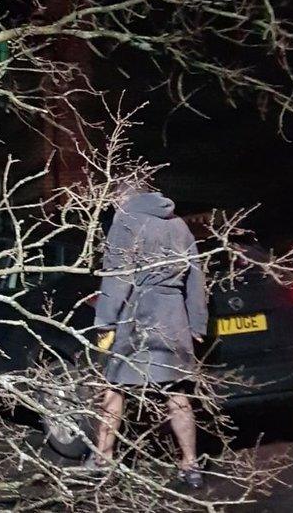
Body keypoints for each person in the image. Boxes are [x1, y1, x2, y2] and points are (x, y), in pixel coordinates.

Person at [89, 181, 208, 489]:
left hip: (136, 314)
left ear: (123, 197)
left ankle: (102, 459)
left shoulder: (126, 221)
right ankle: (190, 465)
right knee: (176, 391)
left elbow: (119, 275)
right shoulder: (179, 225)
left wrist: (105, 318)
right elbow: (196, 278)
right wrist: (197, 324)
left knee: (114, 388)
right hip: (172, 317)